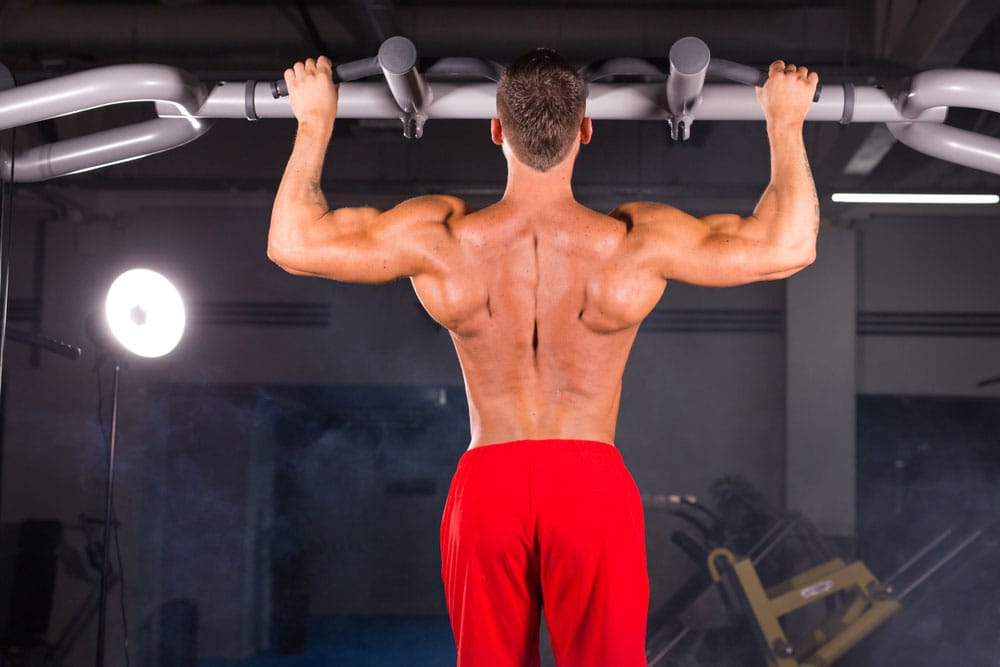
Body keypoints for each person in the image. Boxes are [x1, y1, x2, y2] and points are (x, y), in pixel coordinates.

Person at [269, 48, 819, 667]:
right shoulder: (634, 245)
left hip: (488, 486)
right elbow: (789, 245)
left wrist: (313, 120)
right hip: (589, 484)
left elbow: (293, 243)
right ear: (586, 130)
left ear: (496, 128)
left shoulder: (441, 239)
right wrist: (785, 121)